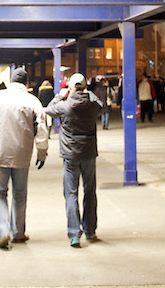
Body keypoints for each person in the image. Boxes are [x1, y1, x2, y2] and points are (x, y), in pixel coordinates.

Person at [0, 68, 49, 250]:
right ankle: (18, 233)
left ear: (10, 81)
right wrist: (42, 152)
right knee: (20, 194)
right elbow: (42, 129)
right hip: (22, 155)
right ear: (26, 83)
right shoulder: (32, 101)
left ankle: (3, 231)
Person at [45, 73, 103, 248]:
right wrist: (89, 93)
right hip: (88, 153)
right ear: (85, 87)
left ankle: (74, 234)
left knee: (71, 193)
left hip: (70, 155)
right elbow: (101, 105)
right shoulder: (92, 105)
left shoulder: (64, 106)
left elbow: (48, 109)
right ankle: (90, 230)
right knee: (90, 191)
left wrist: (60, 95)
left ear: (70, 87)